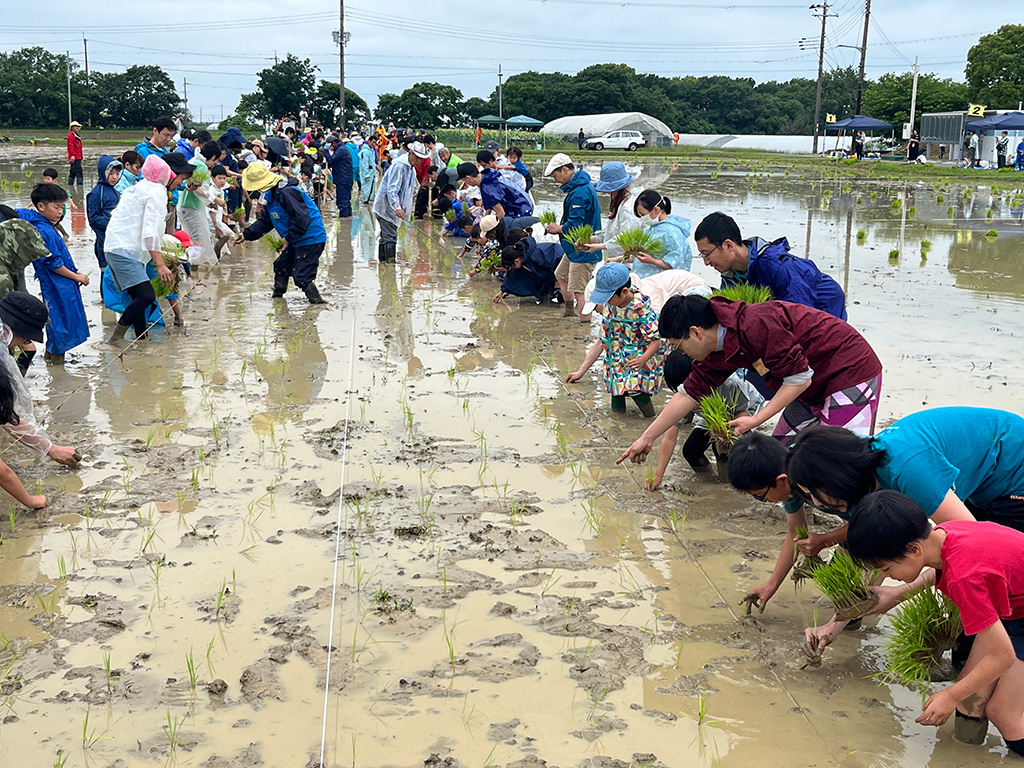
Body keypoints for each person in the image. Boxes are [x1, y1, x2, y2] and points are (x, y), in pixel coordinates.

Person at [845, 490, 1024, 757]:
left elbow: (1002, 656)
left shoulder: (964, 578)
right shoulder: (943, 533)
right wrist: (897, 595)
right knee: (970, 698)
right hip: (1013, 606)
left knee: (1003, 713)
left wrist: (949, 695)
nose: (888, 576)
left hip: (1019, 615)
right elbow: (947, 567)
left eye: (886, 570)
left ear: (914, 549)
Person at [618, 294, 882, 464]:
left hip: (849, 370)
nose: (681, 353)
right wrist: (647, 437)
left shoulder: (756, 324)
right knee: (782, 457)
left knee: (844, 461)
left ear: (695, 333)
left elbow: (800, 377)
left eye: (678, 346)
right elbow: (688, 394)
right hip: (809, 385)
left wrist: (755, 419)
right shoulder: (715, 351)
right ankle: (804, 524)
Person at [693, 212, 847, 319]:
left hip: (825, 309)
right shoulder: (731, 276)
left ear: (728, 246)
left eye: (707, 254)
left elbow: (798, 315)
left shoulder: (777, 266)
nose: (706, 262)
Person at [647, 350, 763, 489]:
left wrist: (729, 433)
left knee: (724, 450)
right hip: (712, 414)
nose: (685, 394)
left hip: (746, 408)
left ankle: (730, 487)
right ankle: (710, 485)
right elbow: (670, 436)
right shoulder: (683, 396)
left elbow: (742, 412)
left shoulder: (728, 384)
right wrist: (659, 475)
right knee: (691, 450)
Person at [104, 155, 191, 342]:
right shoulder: (156, 192)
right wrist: (160, 264)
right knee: (146, 295)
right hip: (124, 250)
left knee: (139, 297)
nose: (180, 184)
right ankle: (116, 339)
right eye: (181, 180)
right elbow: (150, 231)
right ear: (170, 175)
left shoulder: (141, 187)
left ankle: (142, 339)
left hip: (118, 248)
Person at [565, 262, 663, 417]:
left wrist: (643, 359)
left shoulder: (641, 310)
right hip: (616, 359)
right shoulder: (610, 307)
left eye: (608, 298)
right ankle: (618, 422)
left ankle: (652, 418)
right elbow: (602, 341)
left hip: (639, 358)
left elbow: (656, 339)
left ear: (624, 291)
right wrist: (581, 371)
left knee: (634, 388)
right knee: (616, 389)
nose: (606, 302)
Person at [17, 185, 90, 365]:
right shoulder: (43, 230)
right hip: (56, 283)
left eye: (61, 207)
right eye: (56, 207)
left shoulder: (45, 225)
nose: (60, 212)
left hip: (61, 280)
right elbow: (53, 264)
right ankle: (58, 365)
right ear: (41, 207)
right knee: (60, 321)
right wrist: (76, 276)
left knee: (59, 319)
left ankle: (52, 360)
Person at [237, 163, 327, 304]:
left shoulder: (286, 192)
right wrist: (246, 235)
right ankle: (278, 299)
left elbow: (302, 219)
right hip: (296, 238)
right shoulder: (271, 195)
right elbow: (266, 222)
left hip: (310, 238)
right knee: (281, 266)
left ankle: (317, 305)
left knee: (302, 276)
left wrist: (288, 240)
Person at [543, 153, 602, 321]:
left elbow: (576, 224)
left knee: (579, 290)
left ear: (564, 170)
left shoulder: (579, 192)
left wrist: (558, 228)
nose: (556, 180)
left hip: (583, 248)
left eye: (555, 175)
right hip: (573, 247)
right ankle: (569, 312)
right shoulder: (578, 187)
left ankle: (583, 326)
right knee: (560, 275)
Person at [372, 141, 429, 263]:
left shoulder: (411, 168)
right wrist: (397, 207)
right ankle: (390, 266)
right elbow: (392, 189)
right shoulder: (400, 166)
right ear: (411, 153)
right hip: (387, 207)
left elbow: (410, 187)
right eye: (417, 157)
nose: (419, 161)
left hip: (394, 208)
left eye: (421, 159)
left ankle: (383, 263)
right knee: (390, 237)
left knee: (385, 236)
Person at [577, 162, 642, 261]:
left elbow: (626, 238)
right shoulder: (621, 203)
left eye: (609, 190)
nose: (608, 193)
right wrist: (592, 240)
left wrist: (599, 247)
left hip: (625, 263)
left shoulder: (629, 208)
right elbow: (611, 232)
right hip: (614, 260)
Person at [632, 191, 693, 277]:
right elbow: (641, 256)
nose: (643, 218)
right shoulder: (650, 229)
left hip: (661, 284)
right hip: (642, 282)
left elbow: (676, 263)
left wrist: (652, 261)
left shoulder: (672, 233)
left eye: (643, 214)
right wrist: (617, 259)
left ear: (656, 210)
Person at [456, 157, 533, 221]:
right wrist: (484, 220)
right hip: (525, 202)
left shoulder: (487, 188)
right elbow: (492, 204)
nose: (466, 183)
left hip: (520, 210)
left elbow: (501, 214)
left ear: (468, 178)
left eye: (464, 180)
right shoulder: (487, 175)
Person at [494, 232, 561, 304]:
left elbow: (558, 263)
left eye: (511, 266)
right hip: (548, 273)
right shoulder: (522, 260)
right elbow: (512, 276)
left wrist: (558, 281)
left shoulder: (538, 255)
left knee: (561, 295)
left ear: (516, 261)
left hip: (561, 263)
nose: (511, 269)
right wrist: (504, 290)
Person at [85, 155, 123, 269]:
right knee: (106, 272)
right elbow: (93, 219)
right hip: (103, 242)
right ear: (102, 172)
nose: (114, 177)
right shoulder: (96, 194)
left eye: (117, 173)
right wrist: (113, 222)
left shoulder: (116, 192)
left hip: (117, 240)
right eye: (111, 173)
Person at [325, 135, 354, 218]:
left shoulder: (341, 150)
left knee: (342, 202)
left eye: (330, 145)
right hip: (344, 178)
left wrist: (326, 153)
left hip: (343, 179)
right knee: (346, 201)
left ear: (334, 143)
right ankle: (348, 222)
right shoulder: (341, 149)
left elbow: (331, 160)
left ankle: (343, 223)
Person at [358, 136, 377, 205]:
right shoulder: (365, 151)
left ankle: (368, 201)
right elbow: (364, 164)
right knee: (366, 189)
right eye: (373, 142)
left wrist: (376, 166)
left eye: (375, 143)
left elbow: (372, 161)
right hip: (367, 172)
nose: (374, 144)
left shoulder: (371, 150)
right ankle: (365, 201)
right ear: (369, 141)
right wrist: (366, 175)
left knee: (371, 188)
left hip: (371, 172)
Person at [66, 121, 83, 187]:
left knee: (73, 171)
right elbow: (71, 146)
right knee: (79, 172)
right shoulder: (71, 135)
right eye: (76, 126)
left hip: (78, 156)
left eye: (78, 126)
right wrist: (72, 155)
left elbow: (79, 148)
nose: (77, 128)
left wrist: (81, 157)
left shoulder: (77, 136)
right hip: (75, 157)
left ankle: (70, 185)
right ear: (72, 127)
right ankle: (80, 186)